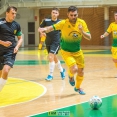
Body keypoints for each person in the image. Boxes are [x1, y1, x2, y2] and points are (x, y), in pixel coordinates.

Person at [38, 6, 91, 95]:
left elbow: (89, 37)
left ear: (77, 14)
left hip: (78, 51)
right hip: (67, 51)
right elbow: (51, 27)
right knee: (74, 69)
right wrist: (43, 29)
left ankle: (77, 88)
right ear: (68, 15)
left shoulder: (82, 23)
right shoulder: (63, 23)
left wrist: (82, 31)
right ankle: (70, 76)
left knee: (81, 72)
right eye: (71, 15)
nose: (73, 17)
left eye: (75, 15)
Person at [38, 7, 65, 81]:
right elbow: (39, 28)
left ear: (58, 14)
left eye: (56, 13)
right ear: (51, 13)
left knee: (50, 57)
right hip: (48, 42)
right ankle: (62, 70)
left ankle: (50, 75)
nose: (54, 14)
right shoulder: (46, 21)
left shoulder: (60, 22)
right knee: (54, 58)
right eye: (53, 12)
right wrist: (42, 33)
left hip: (56, 42)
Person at [0, 6, 23, 91]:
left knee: (5, 71)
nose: (14, 15)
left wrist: (17, 46)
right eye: (12, 13)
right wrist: (2, 43)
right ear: (7, 13)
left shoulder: (16, 25)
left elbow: (20, 38)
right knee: (0, 72)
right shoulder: (0, 23)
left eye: (15, 14)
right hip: (0, 50)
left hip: (11, 51)